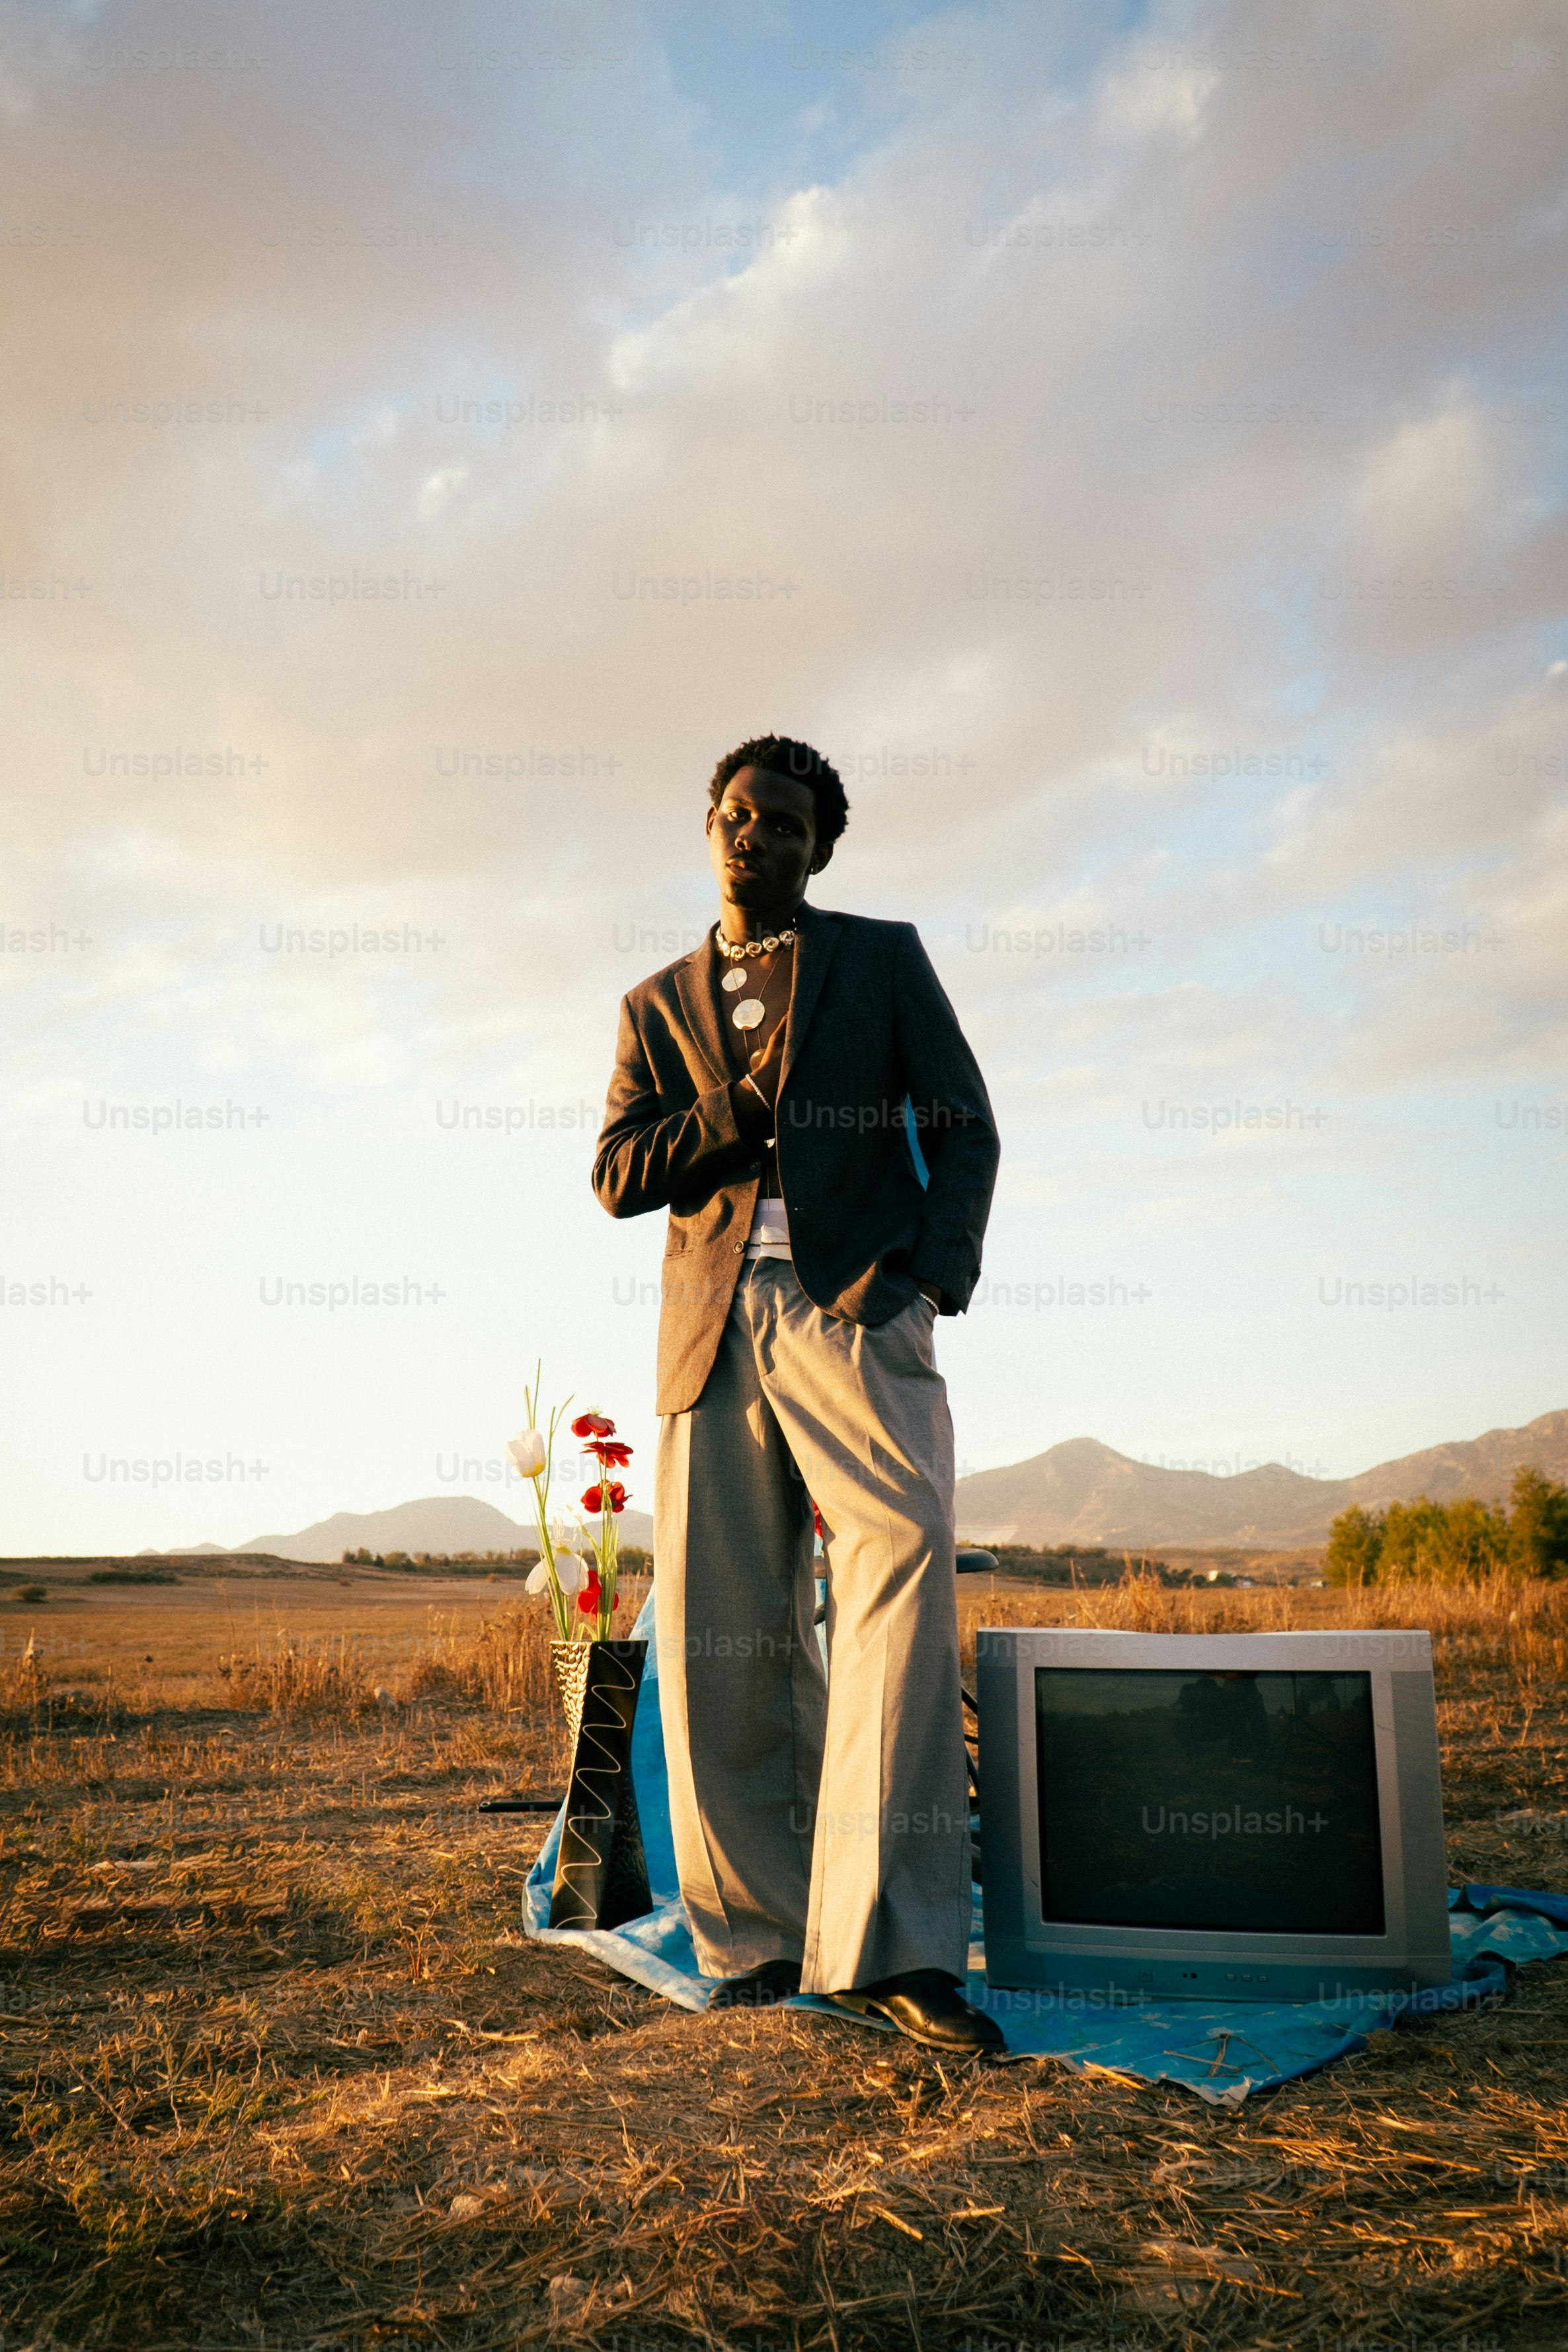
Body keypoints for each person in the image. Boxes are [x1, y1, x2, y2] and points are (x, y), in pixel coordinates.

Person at [592, 734, 1003, 2053]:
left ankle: (893, 1948)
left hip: (853, 1309)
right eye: (735, 812)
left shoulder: (880, 960)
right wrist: (728, 1113)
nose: (753, 833)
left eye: (781, 822)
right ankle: (759, 1940)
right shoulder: (654, 1004)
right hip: (708, 1329)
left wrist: (929, 1280)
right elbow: (616, 1172)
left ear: (818, 849)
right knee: (723, 1627)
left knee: (902, 1560)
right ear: (708, 825)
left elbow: (964, 1123)